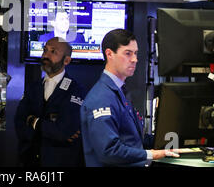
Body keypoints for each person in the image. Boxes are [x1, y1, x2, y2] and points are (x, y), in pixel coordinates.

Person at [80, 29, 180, 166]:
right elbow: (109, 151)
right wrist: (151, 154)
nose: (135, 59)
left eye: (135, 53)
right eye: (128, 53)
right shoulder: (101, 97)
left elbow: (133, 139)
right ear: (109, 54)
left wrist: (173, 140)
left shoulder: (119, 91)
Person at [14, 37, 85, 167]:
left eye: (53, 52)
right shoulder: (33, 87)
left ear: (67, 60)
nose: (46, 55)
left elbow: (64, 131)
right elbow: (19, 123)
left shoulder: (75, 89)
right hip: (30, 161)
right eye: (45, 50)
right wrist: (52, 132)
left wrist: (33, 121)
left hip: (60, 163)